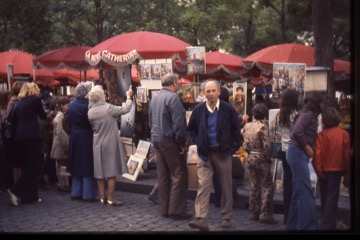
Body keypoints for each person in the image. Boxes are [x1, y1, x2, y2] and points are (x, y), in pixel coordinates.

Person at [187, 80, 241, 231]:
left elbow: (236, 130)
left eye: (212, 91)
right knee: (203, 186)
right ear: (204, 93)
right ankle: (200, 218)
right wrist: (198, 141)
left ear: (218, 92)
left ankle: (226, 217)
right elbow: (191, 129)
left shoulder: (228, 109)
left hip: (223, 153)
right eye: (207, 92)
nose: (210, 94)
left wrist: (232, 148)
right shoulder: (198, 110)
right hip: (205, 154)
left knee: (226, 186)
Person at [148, 73, 191, 220]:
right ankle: (176, 210)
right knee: (179, 174)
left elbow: (150, 119)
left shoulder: (155, 98)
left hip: (157, 139)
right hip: (170, 140)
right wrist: (182, 143)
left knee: (163, 175)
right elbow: (179, 124)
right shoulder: (173, 98)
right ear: (173, 83)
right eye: (177, 83)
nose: (178, 85)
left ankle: (164, 209)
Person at [87, 84, 133, 206]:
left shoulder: (90, 112)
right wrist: (129, 97)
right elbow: (126, 109)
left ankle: (102, 197)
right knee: (111, 171)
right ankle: (111, 198)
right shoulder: (108, 108)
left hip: (97, 143)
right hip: (110, 142)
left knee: (99, 172)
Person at [286, 91, 322, 230]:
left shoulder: (306, 114)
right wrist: (307, 147)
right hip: (297, 152)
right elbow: (296, 131)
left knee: (298, 189)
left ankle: (293, 223)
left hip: (296, 152)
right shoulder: (307, 115)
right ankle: (306, 225)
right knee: (304, 190)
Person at [7, 82, 47, 205]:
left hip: (19, 138)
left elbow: (11, 120)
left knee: (26, 166)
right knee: (34, 166)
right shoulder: (35, 100)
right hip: (32, 136)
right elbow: (43, 116)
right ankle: (15, 190)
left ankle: (31, 197)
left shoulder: (18, 103)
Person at [312, 107, 350, 230]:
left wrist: (319, 171)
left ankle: (327, 222)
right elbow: (347, 157)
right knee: (332, 198)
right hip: (337, 170)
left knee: (325, 197)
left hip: (323, 170)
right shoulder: (344, 134)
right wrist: (348, 176)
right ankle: (327, 225)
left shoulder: (321, 135)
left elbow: (317, 156)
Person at [242, 103, 278, 224]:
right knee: (267, 186)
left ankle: (253, 212)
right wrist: (268, 159)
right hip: (261, 158)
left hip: (251, 157)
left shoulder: (247, 126)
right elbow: (267, 146)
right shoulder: (263, 127)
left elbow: (245, 145)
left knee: (254, 185)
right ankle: (265, 213)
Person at [66, 82, 98, 202]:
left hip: (75, 137)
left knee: (76, 165)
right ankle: (88, 194)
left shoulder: (72, 105)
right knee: (87, 165)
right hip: (86, 137)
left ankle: (76, 192)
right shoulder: (87, 106)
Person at [276, 88, 300, 224]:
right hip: (293, 149)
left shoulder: (281, 114)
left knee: (287, 183)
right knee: (294, 183)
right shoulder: (296, 115)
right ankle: (292, 216)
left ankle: (287, 216)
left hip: (283, 150)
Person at [4, 81, 25, 187]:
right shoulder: (14, 102)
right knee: (16, 162)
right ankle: (17, 184)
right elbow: (9, 119)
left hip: (14, 134)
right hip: (13, 135)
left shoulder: (15, 101)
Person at [51, 97, 71, 193]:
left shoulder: (61, 115)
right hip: (60, 143)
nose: (69, 107)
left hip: (59, 143)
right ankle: (63, 184)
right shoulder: (60, 116)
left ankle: (63, 184)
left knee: (61, 164)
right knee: (61, 164)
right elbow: (60, 131)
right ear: (62, 106)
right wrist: (66, 142)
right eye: (67, 105)